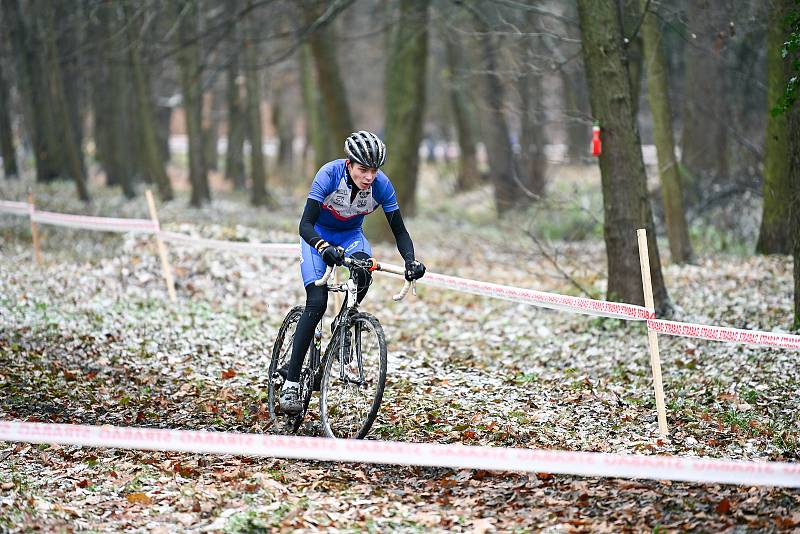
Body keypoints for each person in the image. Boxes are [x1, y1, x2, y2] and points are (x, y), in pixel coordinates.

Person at [279, 131, 426, 415]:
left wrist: (410, 261)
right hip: (317, 236)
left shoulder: (382, 186)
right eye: (363, 170)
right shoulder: (329, 175)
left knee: (363, 268)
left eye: (374, 170)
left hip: (351, 236)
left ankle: (344, 321)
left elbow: (400, 230)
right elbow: (304, 225)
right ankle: (291, 381)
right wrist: (322, 246)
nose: (369, 177)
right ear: (349, 164)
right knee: (317, 302)